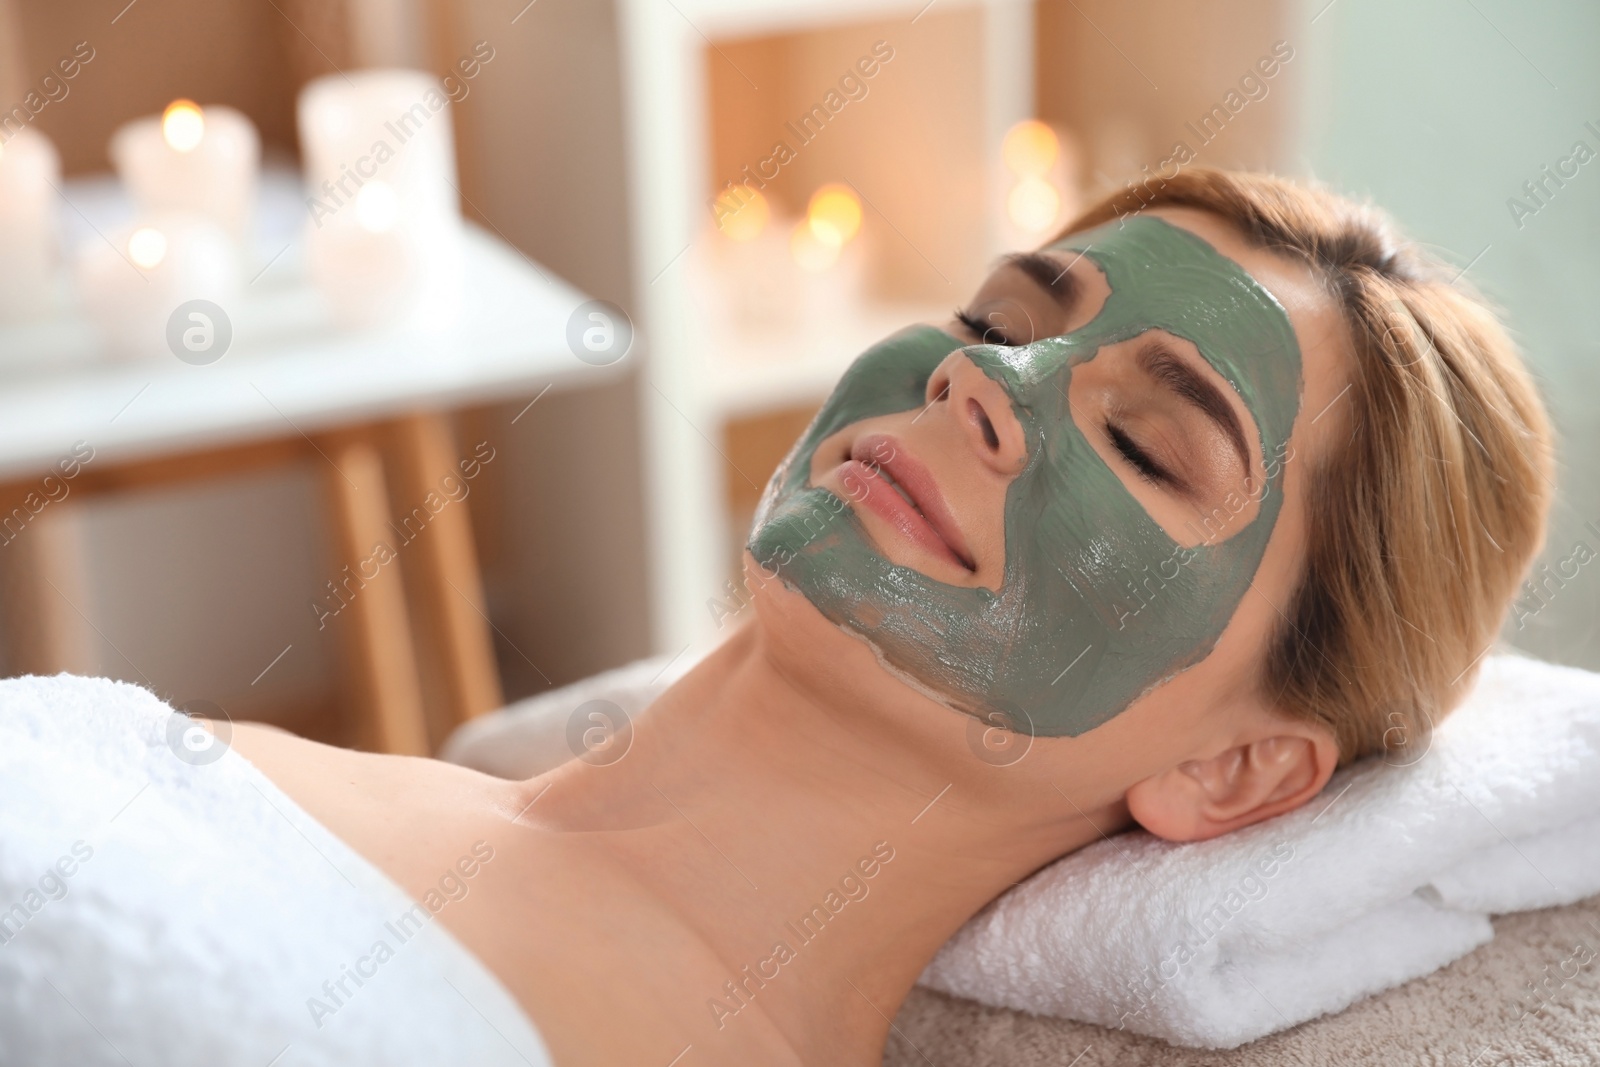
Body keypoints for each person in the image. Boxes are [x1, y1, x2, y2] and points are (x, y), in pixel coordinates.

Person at [231, 169, 1553, 1066]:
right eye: (998, 317)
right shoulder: (262, 773)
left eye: (1150, 446)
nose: (984, 373)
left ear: (1231, 771)